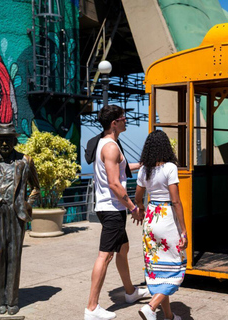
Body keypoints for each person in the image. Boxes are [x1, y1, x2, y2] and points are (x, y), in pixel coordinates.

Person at [85, 105, 150, 320]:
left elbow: (120, 168)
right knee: (105, 256)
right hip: (112, 208)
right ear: (114, 123)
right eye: (123, 118)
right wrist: (133, 207)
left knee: (123, 249)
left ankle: (130, 292)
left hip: (111, 208)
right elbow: (114, 183)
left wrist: (142, 164)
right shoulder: (111, 147)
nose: (126, 121)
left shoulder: (107, 145)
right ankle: (92, 307)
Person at [0, 123, 40, 315]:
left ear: (14, 141)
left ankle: (12, 300)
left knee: (14, 255)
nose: (4, 143)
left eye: (8, 140)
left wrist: (27, 204)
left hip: (15, 213)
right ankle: (0, 299)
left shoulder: (25, 161)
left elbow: (36, 188)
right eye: (1, 140)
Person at [134, 130, 188, 320]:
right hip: (167, 220)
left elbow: (138, 197)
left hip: (150, 219)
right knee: (177, 268)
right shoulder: (170, 168)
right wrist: (184, 230)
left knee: (159, 270)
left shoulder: (143, 170)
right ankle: (151, 306)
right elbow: (176, 201)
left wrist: (140, 208)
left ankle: (169, 316)